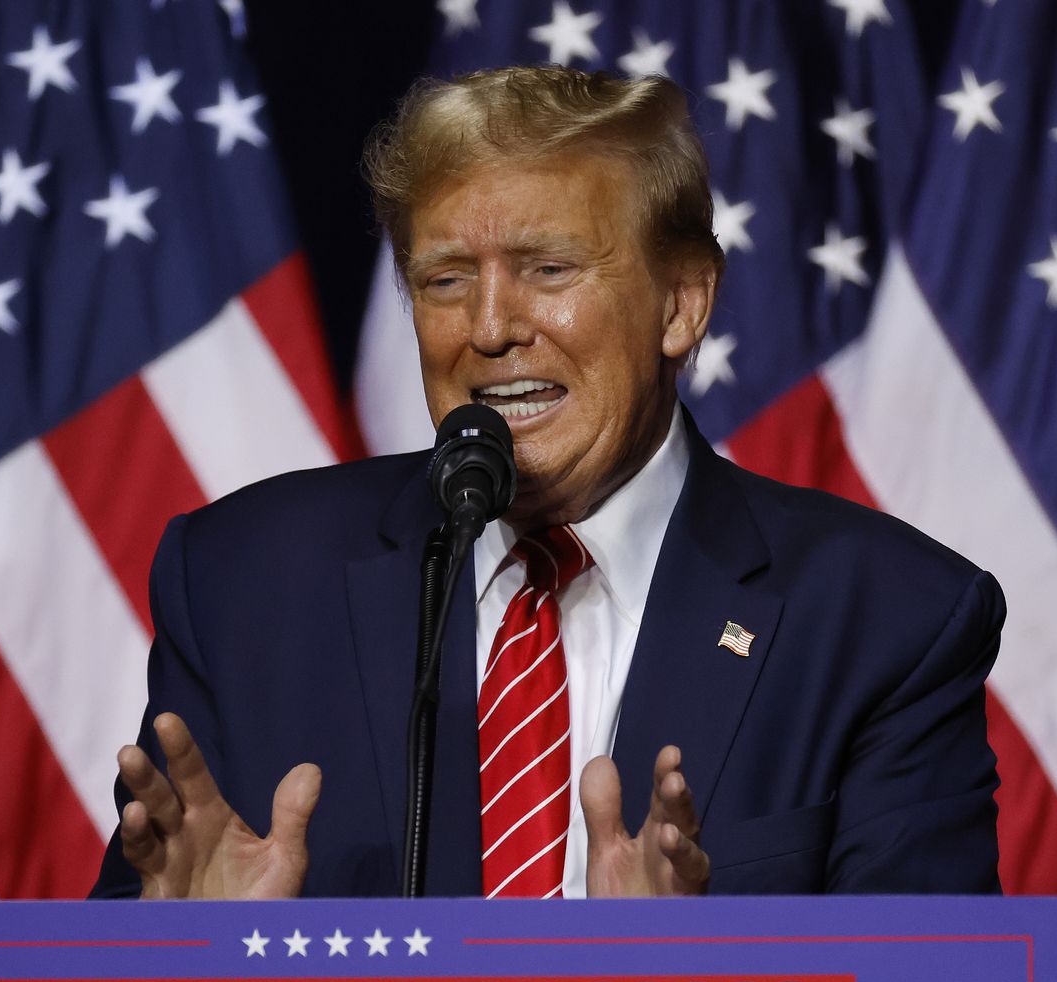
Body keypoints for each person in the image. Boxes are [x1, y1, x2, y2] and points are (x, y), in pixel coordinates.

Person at [90, 66, 1003, 901]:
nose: (488, 330)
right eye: (445, 280)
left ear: (683, 301)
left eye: (549, 269)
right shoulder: (245, 582)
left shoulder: (886, 620)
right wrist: (190, 975)